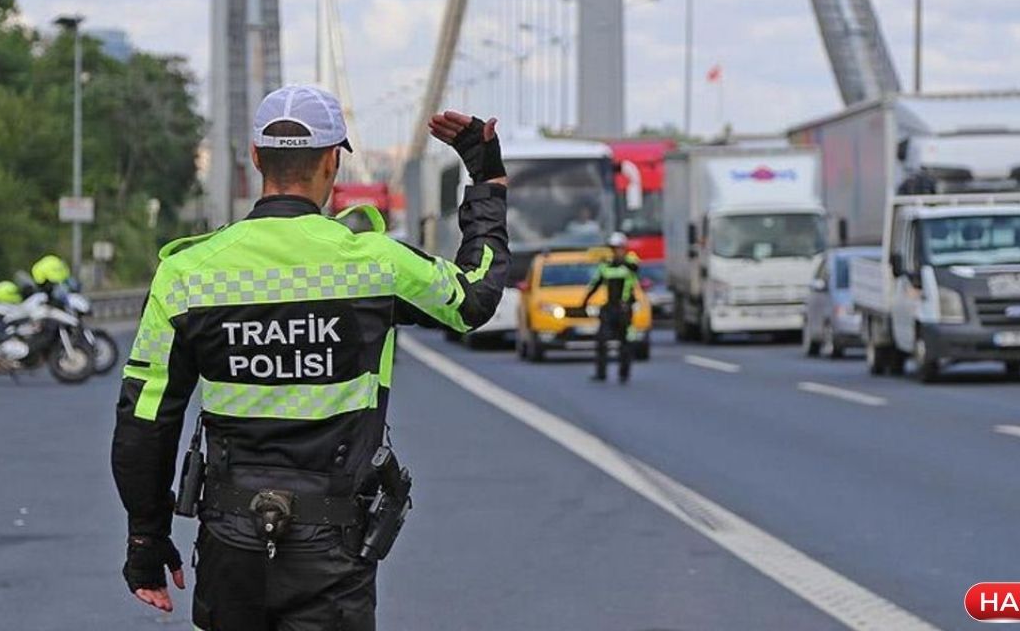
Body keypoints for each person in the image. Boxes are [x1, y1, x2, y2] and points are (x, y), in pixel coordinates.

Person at [110, 85, 509, 630]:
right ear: (331, 161)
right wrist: (485, 182)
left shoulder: (187, 275)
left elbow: (144, 420)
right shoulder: (375, 263)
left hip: (230, 543)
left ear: (256, 159)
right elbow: (474, 298)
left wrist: (146, 540)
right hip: (334, 548)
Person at [581, 232, 641, 383]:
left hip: (624, 309)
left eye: (619, 248)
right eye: (614, 248)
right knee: (602, 340)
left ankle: (624, 374)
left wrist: (622, 261)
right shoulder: (605, 266)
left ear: (624, 248)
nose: (616, 251)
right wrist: (584, 302)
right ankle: (601, 373)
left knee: (625, 343)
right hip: (609, 309)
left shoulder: (630, 262)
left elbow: (635, 267)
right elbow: (595, 285)